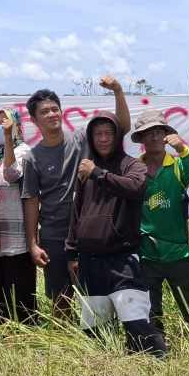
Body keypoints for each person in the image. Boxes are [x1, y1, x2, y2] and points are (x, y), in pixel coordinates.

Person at [20, 76, 130, 319]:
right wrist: (32, 243)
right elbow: (30, 200)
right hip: (54, 233)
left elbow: (121, 127)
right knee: (60, 297)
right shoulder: (32, 158)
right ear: (34, 119)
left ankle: (97, 342)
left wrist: (118, 91)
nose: (51, 115)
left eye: (54, 109)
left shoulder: (83, 139)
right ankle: (65, 345)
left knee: (95, 293)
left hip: (90, 230)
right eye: (45, 112)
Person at [65, 111, 167, 357]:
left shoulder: (132, 165)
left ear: (117, 136)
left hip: (122, 259)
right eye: (97, 134)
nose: (102, 139)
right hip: (89, 261)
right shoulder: (85, 170)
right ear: (91, 137)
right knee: (95, 329)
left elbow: (135, 188)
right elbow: (76, 213)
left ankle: (160, 365)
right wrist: (71, 251)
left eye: (108, 133)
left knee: (136, 322)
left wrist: (98, 174)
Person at [134, 108, 189, 336]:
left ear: (166, 135)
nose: (154, 136)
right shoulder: (135, 169)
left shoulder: (176, 164)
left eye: (159, 131)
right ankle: (157, 350)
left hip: (178, 253)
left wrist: (182, 148)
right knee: (151, 309)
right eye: (148, 132)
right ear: (141, 138)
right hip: (147, 253)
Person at [0, 108, 37, 323]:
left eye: (5, 122)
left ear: (17, 126)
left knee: (19, 302)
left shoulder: (25, 152)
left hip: (17, 240)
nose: (0, 125)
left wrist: (7, 138)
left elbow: (11, 174)